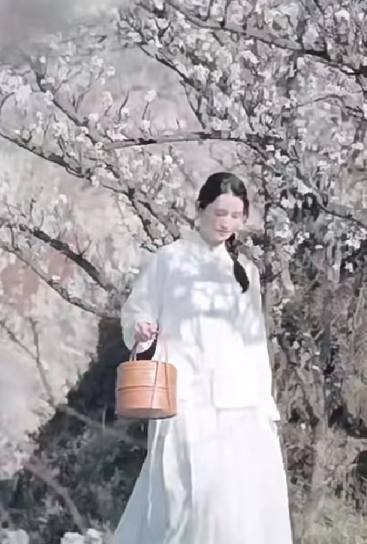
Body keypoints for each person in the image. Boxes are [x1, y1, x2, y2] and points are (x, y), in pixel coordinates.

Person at [111, 172, 293, 544]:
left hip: (239, 401)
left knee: (236, 503)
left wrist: (264, 402)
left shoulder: (244, 271)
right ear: (200, 209)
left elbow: (254, 340)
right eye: (219, 213)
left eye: (235, 216)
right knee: (182, 500)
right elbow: (137, 309)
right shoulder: (170, 260)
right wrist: (142, 328)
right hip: (186, 399)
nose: (226, 223)